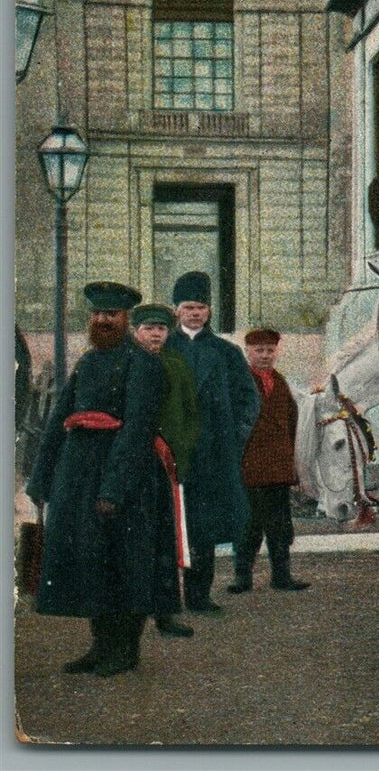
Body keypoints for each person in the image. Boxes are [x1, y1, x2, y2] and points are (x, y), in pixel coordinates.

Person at [25, 282, 174, 676]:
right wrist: (40, 481)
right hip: (79, 477)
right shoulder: (87, 363)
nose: (103, 320)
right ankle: (99, 646)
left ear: (125, 319)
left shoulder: (144, 364)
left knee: (128, 563)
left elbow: (138, 430)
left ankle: (126, 650)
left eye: (111, 314)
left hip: (129, 480)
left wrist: (114, 489)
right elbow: (59, 420)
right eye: (97, 313)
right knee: (92, 561)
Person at [167, 271, 258, 614]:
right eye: (189, 307)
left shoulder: (226, 353)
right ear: (176, 310)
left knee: (202, 529)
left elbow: (248, 401)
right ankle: (166, 599)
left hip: (212, 455)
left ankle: (199, 596)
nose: (195, 313)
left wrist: (232, 441)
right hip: (170, 454)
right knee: (169, 526)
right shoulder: (164, 347)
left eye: (201, 307)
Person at [132, 303, 201, 639]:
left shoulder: (176, 364)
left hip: (168, 466)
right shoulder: (125, 362)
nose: (156, 334)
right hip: (132, 467)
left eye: (161, 328)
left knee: (167, 542)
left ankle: (166, 614)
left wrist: (179, 451)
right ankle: (130, 615)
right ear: (135, 331)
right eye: (148, 328)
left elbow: (190, 413)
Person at [230, 328, 309, 592]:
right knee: (249, 524)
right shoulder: (238, 381)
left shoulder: (281, 382)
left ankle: (282, 576)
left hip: (277, 467)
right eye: (259, 350)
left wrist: (291, 463)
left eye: (270, 350)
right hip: (248, 467)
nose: (265, 356)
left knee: (280, 525)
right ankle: (243, 577)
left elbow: (292, 423)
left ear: (277, 352)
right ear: (248, 352)